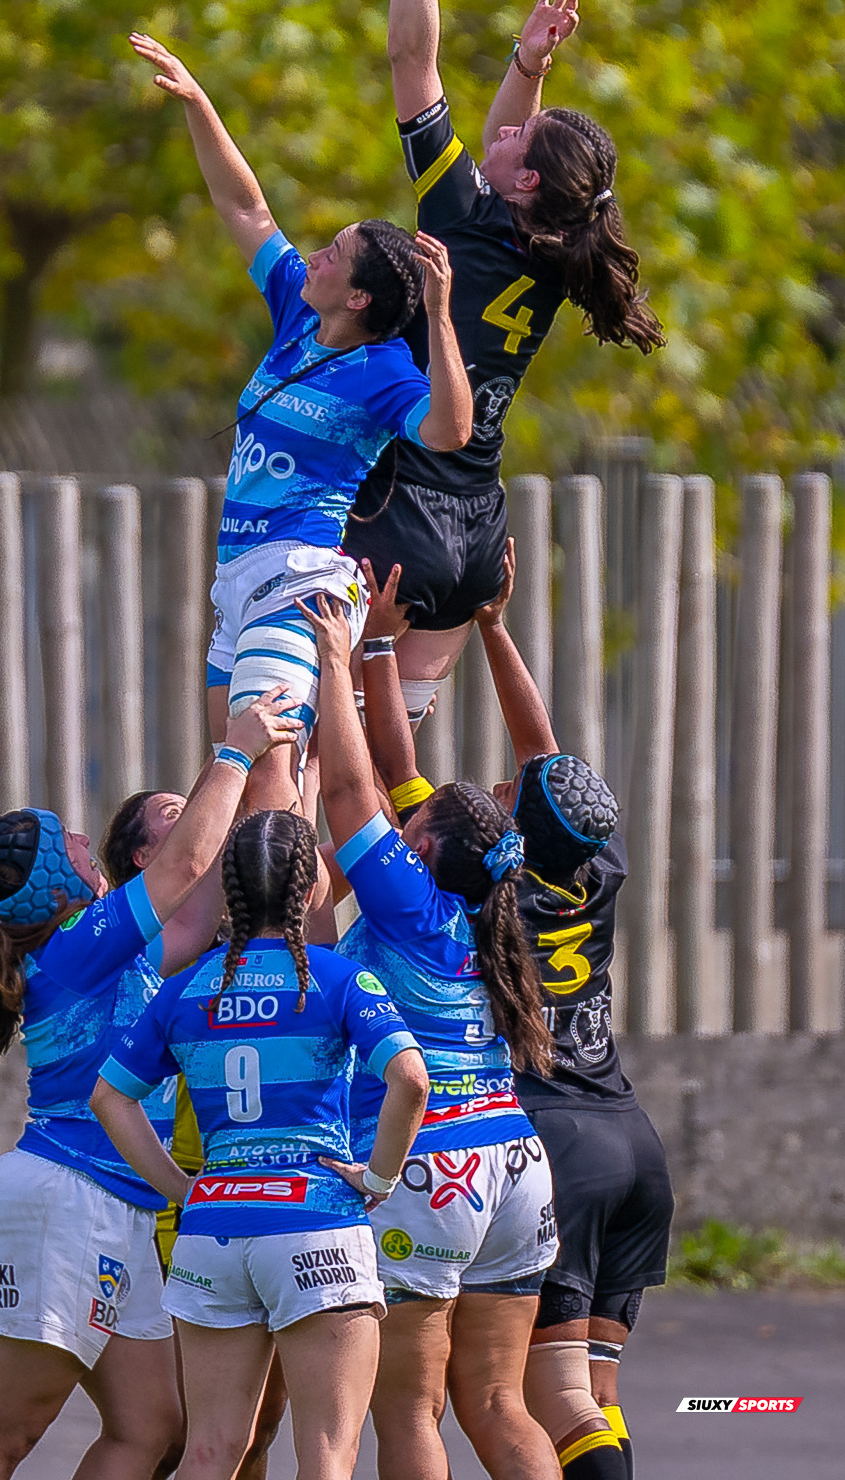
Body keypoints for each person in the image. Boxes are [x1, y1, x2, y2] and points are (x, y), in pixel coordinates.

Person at [343, 0, 665, 730]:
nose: (505, 130)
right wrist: (529, 62)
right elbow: (496, 143)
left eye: (522, 135)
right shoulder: (560, 253)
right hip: (473, 533)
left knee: (323, 780)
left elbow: (412, 57)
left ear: (525, 183)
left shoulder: (461, 217)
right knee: (387, 792)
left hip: (398, 511)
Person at [0, 692, 300, 1480]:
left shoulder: (108, 951)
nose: (80, 834)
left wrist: (271, 764)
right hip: (64, 1199)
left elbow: (201, 902)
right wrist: (231, 750)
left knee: (153, 1429)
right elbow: (184, 866)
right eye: (63, 836)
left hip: (115, 1205)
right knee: (5, 1433)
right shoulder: (73, 946)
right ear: (56, 882)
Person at [129, 30, 472, 815]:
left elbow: (451, 431)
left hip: (300, 584)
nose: (311, 254)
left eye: (332, 253)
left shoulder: (385, 370)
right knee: (232, 781)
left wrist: (443, 315)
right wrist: (198, 101)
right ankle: (260, 928)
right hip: (236, 586)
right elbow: (243, 205)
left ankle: (282, 935)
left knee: (264, 782)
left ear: (358, 298)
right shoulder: (295, 312)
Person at [302, 592, 561, 1480]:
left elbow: (344, 792)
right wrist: (374, 651)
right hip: (514, 1163)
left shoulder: (408, 904)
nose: (396, 829)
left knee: (409, 1408)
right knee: (499, 1402)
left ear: (421, 848)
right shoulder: (491, 909)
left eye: (409, 828)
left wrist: (337, 659)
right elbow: (378, 787)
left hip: (428, 1165)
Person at [92, 809, 431, 1480]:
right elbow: (410, 1082)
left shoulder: (185, 989)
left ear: (226, 888)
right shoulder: (337, 980)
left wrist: (182, 1190)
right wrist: (379, 1179)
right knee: (327, 1452)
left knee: (210, 1451)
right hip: (316, 1224)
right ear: (311, 891)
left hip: (212, 1227)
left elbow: (109, 1097)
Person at [473, 550, 675, 1480]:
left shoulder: (491, 889)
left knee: (551, 1398)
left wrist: (388, 654)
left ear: (518, 824)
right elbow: (542, 753)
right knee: (595, 1397)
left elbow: (527, 763)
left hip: (556, 1143)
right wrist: (494, 627)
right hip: (632, 1141)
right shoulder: (602, 868)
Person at [100, 789, 291, 1480]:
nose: (202, 818)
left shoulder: (256, 940)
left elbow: (297, 848)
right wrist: (247, 754)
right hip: (182, 1203)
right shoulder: (154, 953)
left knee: (256, 1425)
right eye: (173, 815)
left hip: (278, 1201)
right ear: (146, 858)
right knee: (189, 1431)